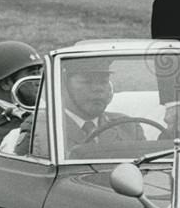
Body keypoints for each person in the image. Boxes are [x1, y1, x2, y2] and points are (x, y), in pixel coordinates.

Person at [16, 58, 146, 156]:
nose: (98, 89)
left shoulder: (129, 126)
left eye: (103, 81)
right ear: (63, 86)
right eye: (87, 81)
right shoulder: (40, 128)